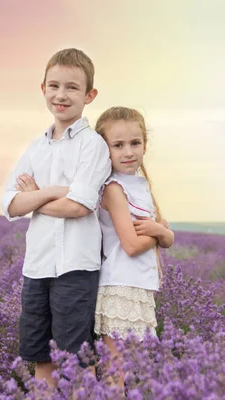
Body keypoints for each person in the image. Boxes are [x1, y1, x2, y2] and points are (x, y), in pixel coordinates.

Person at [0, 48, 111, 387]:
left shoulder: (93, 145)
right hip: (38, 265)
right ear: (43, 88)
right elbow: (10, 204)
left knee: (79, 360)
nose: (61, 95)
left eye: (72, 88)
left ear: (90, 95)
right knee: (40, 357)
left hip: (76, 268)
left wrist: (35, 194)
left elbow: (80, 205)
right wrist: (52, 192)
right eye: (54, 86)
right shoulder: (36, 147)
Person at [93, 106, 174, 387]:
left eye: (135, 143)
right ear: (106, 150)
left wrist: (161, 233)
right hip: (119, 288)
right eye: (118, 145)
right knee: (117, 372)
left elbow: (168, 238)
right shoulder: (115, 189)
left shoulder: (139, 185)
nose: (128, 151)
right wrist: (159, 232)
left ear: (145, 145)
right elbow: (130, 245)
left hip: (137, 286)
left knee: (128, 370)